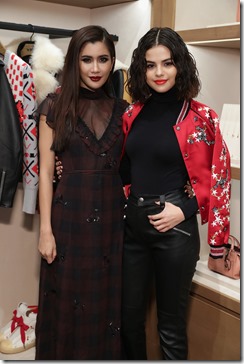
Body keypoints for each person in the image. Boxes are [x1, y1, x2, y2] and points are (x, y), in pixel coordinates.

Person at [119, 27, 231, 360]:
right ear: (142, 69)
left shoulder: (202, 117)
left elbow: (219, 177)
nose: (159, 73)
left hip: (176, 230)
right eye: (151, 65)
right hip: (133, 230)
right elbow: (123, 169)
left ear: (179, 65)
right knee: (128, 321)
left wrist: (183, 208)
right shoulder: (131, 114)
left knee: (169, 328)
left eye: (167, 63)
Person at [35, 25, 129, 360]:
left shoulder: (123, 110)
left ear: (112, 62)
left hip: (112, 225)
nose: (95, 68)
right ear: (75, 62)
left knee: (107, 309)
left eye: (103, 59)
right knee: (67, 305)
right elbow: (46, 173)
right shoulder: (53, 106)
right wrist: (45, 230)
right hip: (68, 222)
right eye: (86, 59)